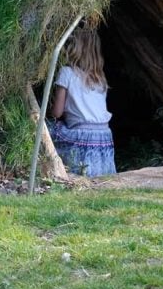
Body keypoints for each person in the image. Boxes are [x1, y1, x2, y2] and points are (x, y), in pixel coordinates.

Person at [48, 28, 116, 177]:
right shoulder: (100, 77)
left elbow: (57, 113)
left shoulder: (67, 72)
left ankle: (58, 171)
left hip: (83, 136)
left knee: (47, 127)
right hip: (104, 135)